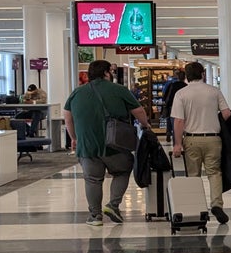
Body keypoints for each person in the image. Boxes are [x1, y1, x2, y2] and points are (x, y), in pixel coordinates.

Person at [64, 59, 148, 227]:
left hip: (87, 146)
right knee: (123, 171)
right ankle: (113, 205)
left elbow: (68, 116)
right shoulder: (119, 90)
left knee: (93, 180)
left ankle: (95, 216)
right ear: (107, 72)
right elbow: (138, 110)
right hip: (115, 144)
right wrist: (145, 125)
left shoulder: (76, 93)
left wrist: (74, 138)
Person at [171, 61, 231, 224]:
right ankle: (217, 205)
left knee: (193, 176)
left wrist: (177, 144)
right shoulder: (214, 91)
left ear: (186, 76)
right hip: (213, 138)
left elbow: (178, 121)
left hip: (191, 139)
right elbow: (226, 113)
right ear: (203, 74)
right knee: (214, 173)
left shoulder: (181, 94)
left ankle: (197, 208)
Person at [160, 69, 186, 143]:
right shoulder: (186, 86)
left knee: (174, 125)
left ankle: (176, 143)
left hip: (172, 107)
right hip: (183, 108)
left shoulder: (171, 84)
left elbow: (165, 95)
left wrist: (166, 104)